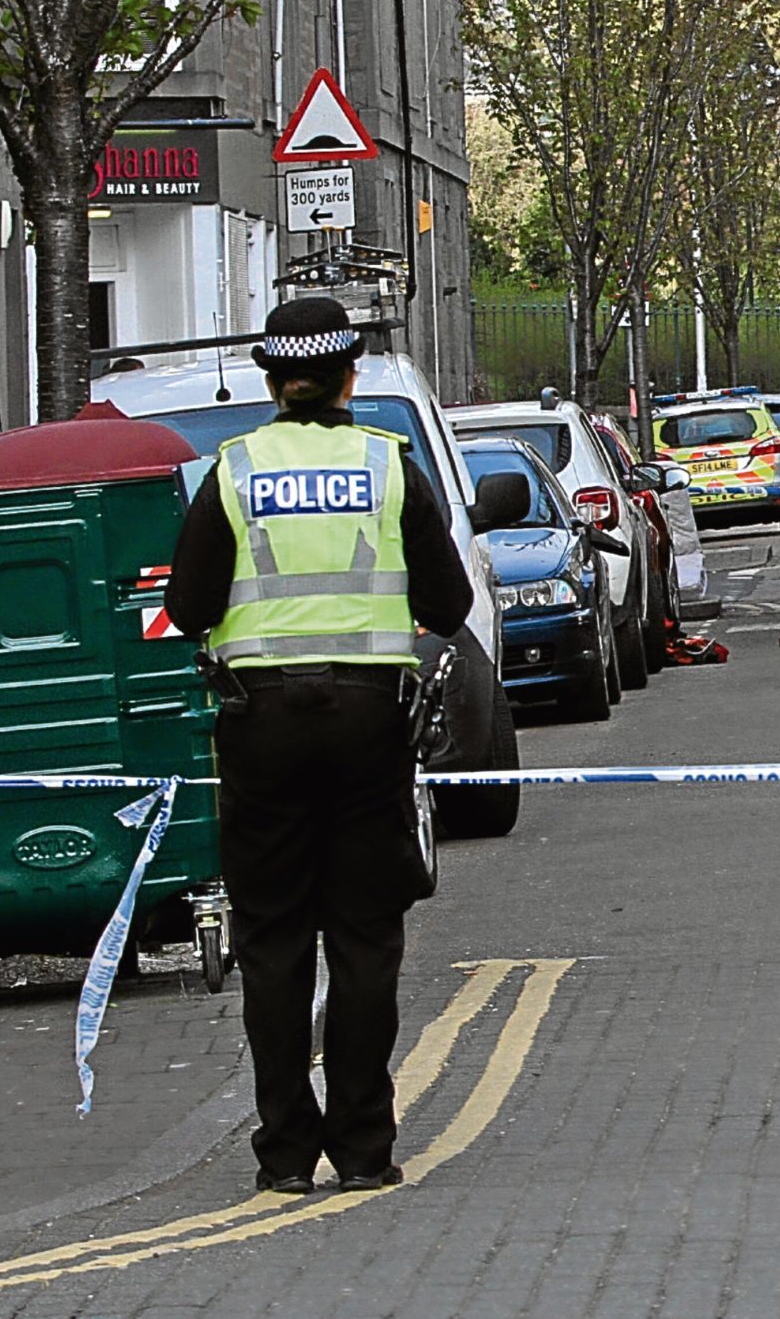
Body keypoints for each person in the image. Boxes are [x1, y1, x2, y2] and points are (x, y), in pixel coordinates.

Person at [163, 298, 474, 1196]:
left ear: (271, 382)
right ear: (348, 377)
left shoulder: (235, 469)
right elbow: (448, 605)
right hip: (368, 722)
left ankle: (287, 1154)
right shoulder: (387, 465)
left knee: (272, 942)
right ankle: (366, 1149)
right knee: (366, 938)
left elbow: (187, 608)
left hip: (260, 725)